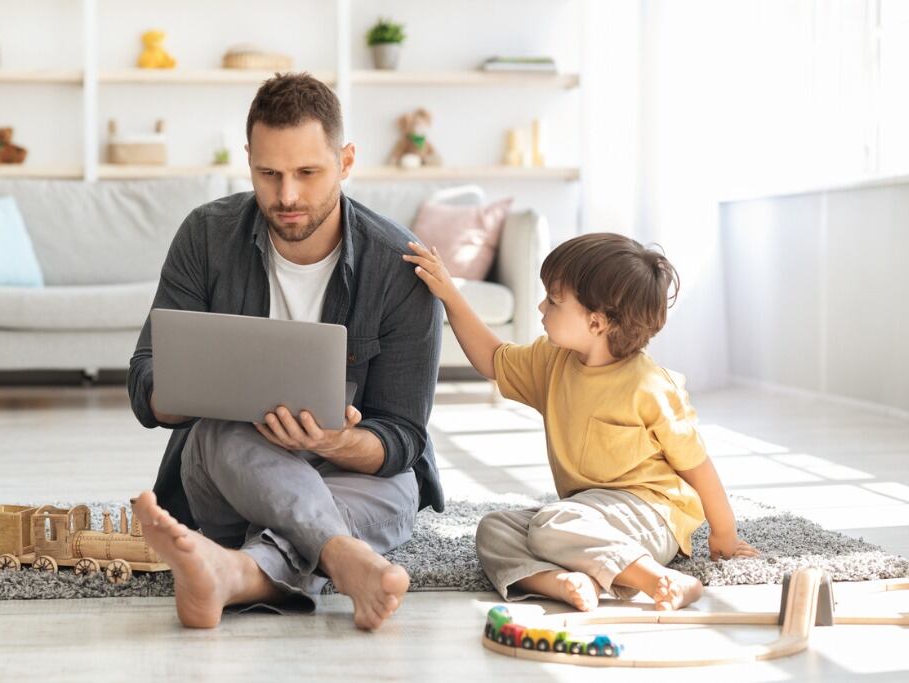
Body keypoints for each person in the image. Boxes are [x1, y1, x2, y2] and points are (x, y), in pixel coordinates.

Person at [128, 73, 443, 630]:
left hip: (347, 473)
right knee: (218, 431)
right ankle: (344, 556)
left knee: (400, 486)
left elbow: (401, 436)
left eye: (307, 173)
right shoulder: (206, 235)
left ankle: (235, 573)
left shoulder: (398, 266)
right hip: (232, 468)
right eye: (268, 174)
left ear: (345, 161)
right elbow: (145, 383)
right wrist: (190, 392)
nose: (287, 196)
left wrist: (337, 440)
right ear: (248, 159)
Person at [402, 233, 757, 611]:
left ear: (597, 322)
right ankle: (565, 582)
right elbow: (492, 358)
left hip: (652, 515)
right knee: (495, 529)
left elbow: (697, 468)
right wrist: (449, 295)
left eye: (553, 300)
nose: (541, 307)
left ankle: (659, 580)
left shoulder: (650, 386)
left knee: (554, 524)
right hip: (585, 515)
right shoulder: (552, 360)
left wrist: (725, 534)